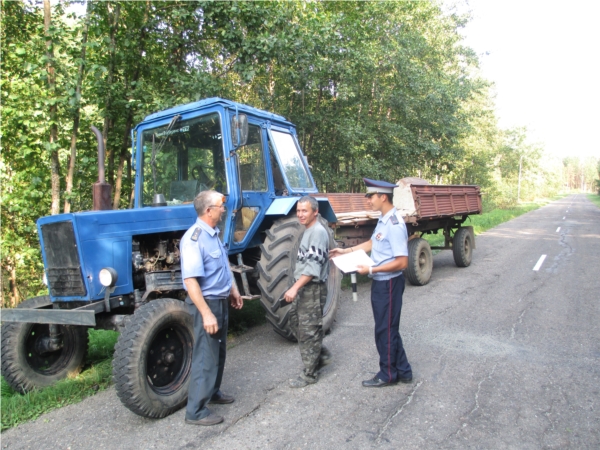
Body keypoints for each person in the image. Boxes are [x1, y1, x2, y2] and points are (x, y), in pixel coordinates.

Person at [330, 178, 412, 387]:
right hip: (381, 283)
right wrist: (345, 251)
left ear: (382, 197)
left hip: (389, 284)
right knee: (388, 328)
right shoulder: (384, 219)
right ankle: (403, 370)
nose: (368, 200)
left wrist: (372, 269)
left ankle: (388, 374)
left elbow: (402, 262)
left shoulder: (394, 224)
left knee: (385, 330)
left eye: (370, 196)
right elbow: (371, 243)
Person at [180, 190, 243, 426]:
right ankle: (195, 411)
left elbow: (223, 265)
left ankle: (212, 392)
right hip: (207, 304)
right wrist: (206, 313)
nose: (224, 209)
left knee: (218, 351)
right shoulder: (193, 239)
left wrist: (234, 290)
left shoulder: (213, 234)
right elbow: (191, 281)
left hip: (221, 300)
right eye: (221, 205)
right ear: (209, 211)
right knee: (206, 355)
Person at [283, 196, 332, 388]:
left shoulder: (318, 232)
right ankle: (321, 354)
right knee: (296, 323)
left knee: (309, 330)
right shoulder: (308, 230)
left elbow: (312, 268)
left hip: (312, 288)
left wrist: (295, 287)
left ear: (315, 212)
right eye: (298, 211)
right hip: (304, 286)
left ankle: (310, 374)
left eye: (305, 211)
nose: (300, 214)